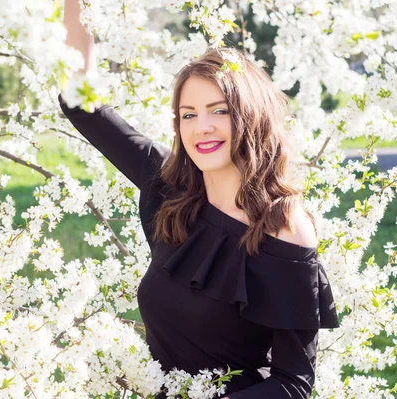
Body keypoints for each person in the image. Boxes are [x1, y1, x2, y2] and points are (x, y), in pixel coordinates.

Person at [60, 1, 340, 398]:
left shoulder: (283, 226)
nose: (201, 127)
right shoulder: (169, 187)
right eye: (187, 115)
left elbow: (293, 383)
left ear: (250, 115)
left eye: (218, 111)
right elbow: (81, 105)